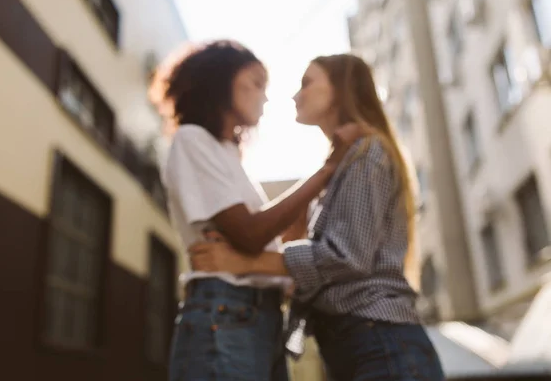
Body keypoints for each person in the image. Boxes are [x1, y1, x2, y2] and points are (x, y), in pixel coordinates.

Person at [189, 53, 446, 381]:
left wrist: (242, 262)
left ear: (339, 89)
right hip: (362, 344)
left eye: (307, 83)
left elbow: (346, 256)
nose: (297, 95)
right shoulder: (346, 162)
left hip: (380, 342)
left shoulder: (366, 154)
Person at [150, 41, 366, 381]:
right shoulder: (192, 140)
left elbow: (270, 239)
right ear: (219, 81)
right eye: (255, 83)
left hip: (259, 316)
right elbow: (250, 234)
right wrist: (327, 170)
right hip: (225, 310)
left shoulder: (230, 157)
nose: (264, 97)